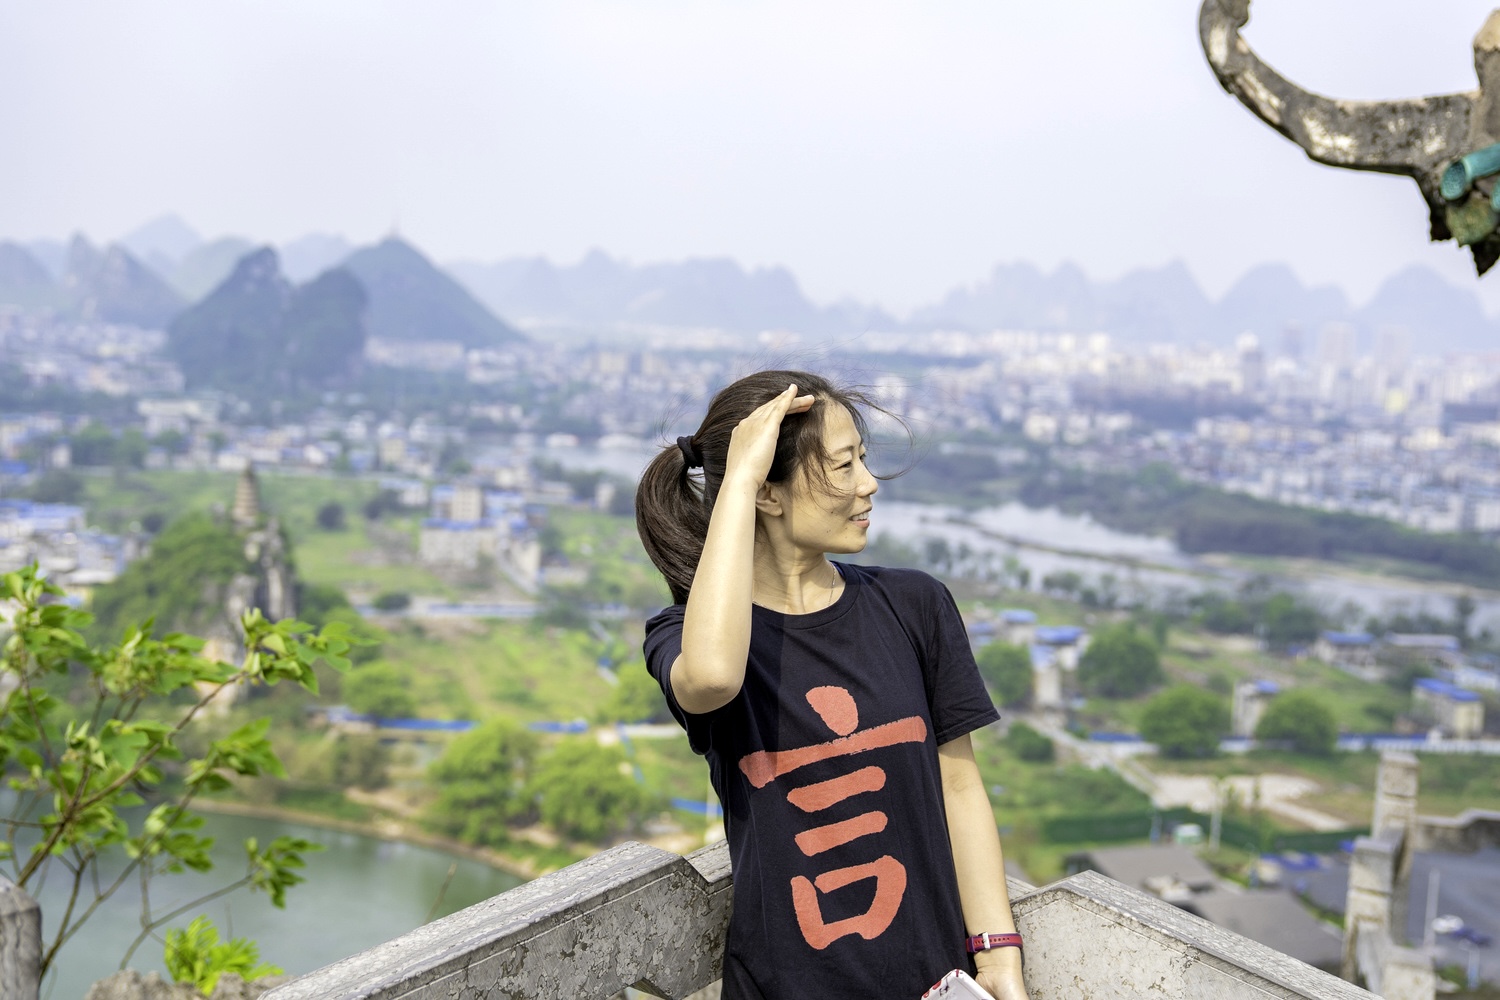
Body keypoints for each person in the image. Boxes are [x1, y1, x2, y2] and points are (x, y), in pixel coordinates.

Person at [635, 370, 1030, 1000]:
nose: (868, 485)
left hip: (934, 986)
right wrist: (738, 478)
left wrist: (999, 956)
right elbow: (710, 678)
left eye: (862, 461)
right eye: (842, 466)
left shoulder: (912, 605)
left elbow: (959, 786)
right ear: (768, 493)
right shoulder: (689, 636)